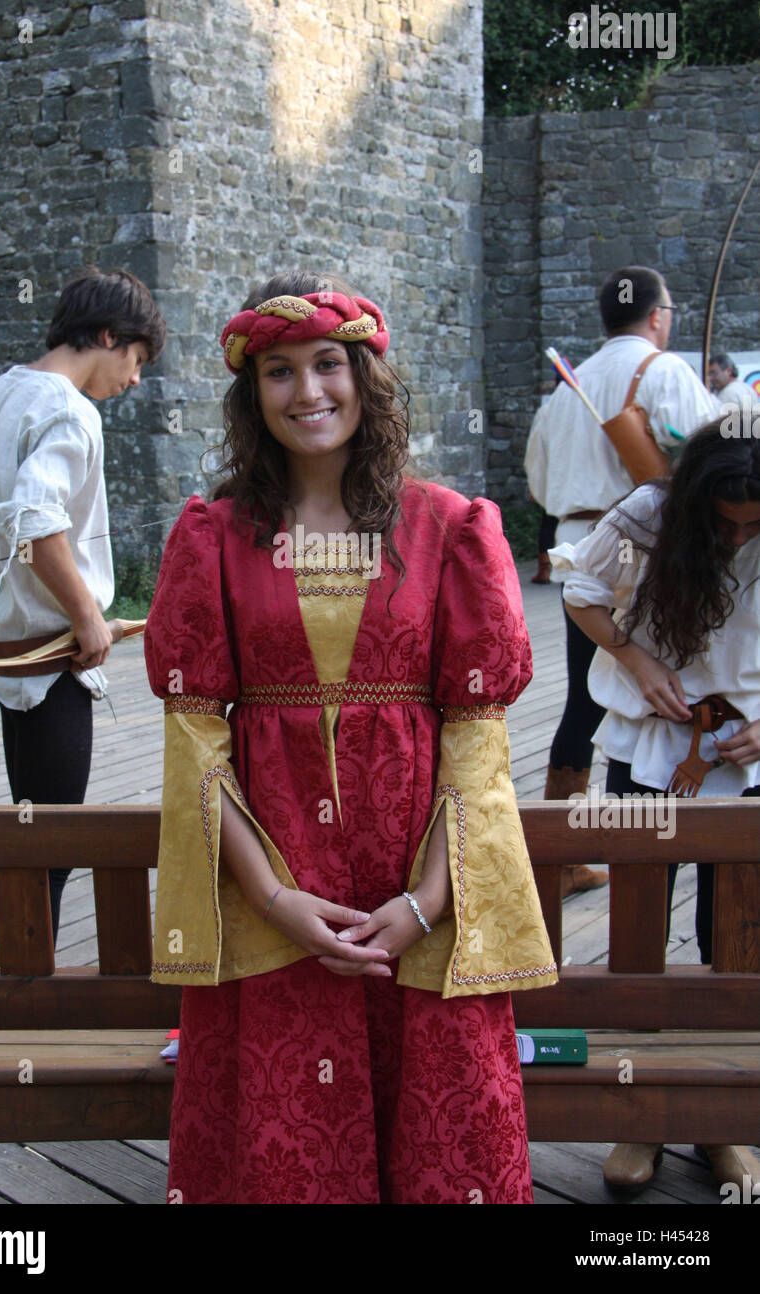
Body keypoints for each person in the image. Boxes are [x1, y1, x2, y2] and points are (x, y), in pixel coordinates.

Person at [143, 270, 558, 1205]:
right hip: (276, 884)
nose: (307, 392)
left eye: (327, 363)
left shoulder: (449, 528)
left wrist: (424, 903)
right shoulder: (213, 537)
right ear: (253, 395)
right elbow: (196, 744)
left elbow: (476, 742)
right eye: (279, 372)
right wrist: (273, 898)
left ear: (365, 375)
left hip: (419, 885)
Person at [0, 266, 165, 946]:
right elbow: (35, 518)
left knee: (35, 830)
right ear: (108, 336)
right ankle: (30, 991)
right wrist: (85, 616)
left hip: (10, 668)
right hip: (51, 666)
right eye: (134, 360)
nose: (133, 380)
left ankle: (26, 976)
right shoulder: (71, 410)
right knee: (54, 845)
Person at [553, 418, 760, 1196]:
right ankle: (639, 1120)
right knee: (640, 933)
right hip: (651, 748)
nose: (738, 537)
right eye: (724, 521)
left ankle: (724, 1123)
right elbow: (579, 590)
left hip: (746, 757)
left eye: (754, 523)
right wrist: (635, 659)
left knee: (732, 938)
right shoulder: (648, 514)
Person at [524, 265, 722, 897]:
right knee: (672, 691)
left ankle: (563, 858)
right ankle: (688, 833)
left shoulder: (567, 387)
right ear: (659, 317)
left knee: (586, 697)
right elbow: (714, 467)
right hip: (652, 550)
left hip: (577, 547)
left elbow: (536, 479)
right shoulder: (664, 372)